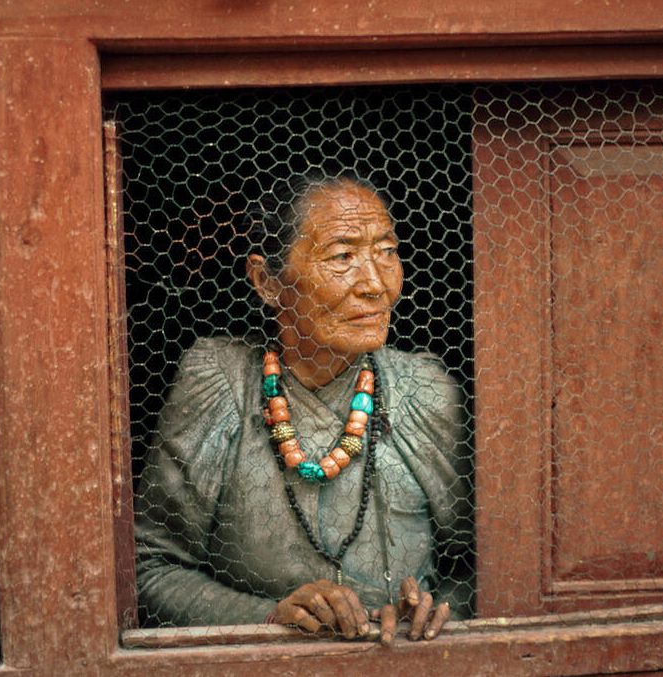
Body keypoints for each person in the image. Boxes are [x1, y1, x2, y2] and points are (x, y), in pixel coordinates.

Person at [134, 172, 472, 643]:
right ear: (266, 281)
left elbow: (480, 567)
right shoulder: (219, 384)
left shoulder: (426, 393)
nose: (376, 284)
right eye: (343, 257)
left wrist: (438, 612)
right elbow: (148, 570)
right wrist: (274, 617)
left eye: (387, 251)